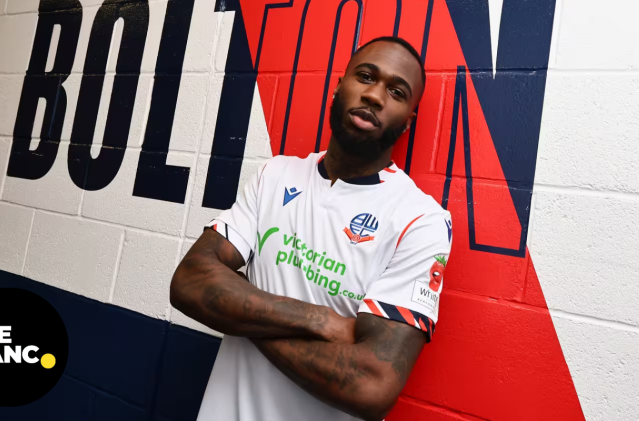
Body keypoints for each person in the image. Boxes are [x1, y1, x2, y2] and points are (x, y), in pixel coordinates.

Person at [170, 36, 452, 421]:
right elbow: (188, 282)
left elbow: (371, 386)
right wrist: (319, 320)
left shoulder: (421, 221)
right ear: (339, 85)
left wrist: (238, 307)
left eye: (396, 92)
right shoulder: (276, 175)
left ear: (407, 121)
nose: (374, 95)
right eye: (365, 76)